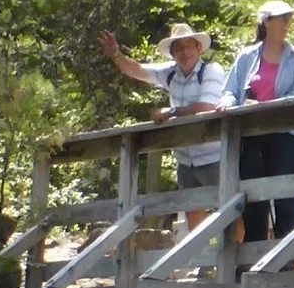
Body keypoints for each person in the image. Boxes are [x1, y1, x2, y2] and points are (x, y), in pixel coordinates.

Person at [97, 23, 230, 231]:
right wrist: (116, 54)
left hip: (214, 155)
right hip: (186, 159)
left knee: (229, 209)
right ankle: (205, 262)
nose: (184, 52)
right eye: (179, 48)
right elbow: (138, 70)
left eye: (189, 46)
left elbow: (207, 106)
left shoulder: (211, 70)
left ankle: (238, 261)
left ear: (198, 48)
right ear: (173, 53)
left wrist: (171, 112)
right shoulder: (171, 73)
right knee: (193, 211)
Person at [226, 0, 294, 241]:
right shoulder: (246, 56)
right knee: (254, 202)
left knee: (287, 201)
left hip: (288, 136)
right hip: (252, 136)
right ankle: (254, 263)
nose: (287, 23)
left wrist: (263, 107)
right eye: (281, 18)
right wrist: (228, 104)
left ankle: (286, 265)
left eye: (288, 18)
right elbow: (230, 90)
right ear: (266, 22)